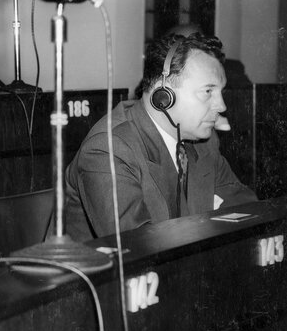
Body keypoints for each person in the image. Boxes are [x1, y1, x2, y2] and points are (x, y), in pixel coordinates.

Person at [65, 33, 257, 241]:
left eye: (221, 92)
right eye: (208, 91)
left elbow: (249, 212)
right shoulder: (108, 149)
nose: (221, 106)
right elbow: (137, 246)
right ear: (164, 96)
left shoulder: (205, 142)